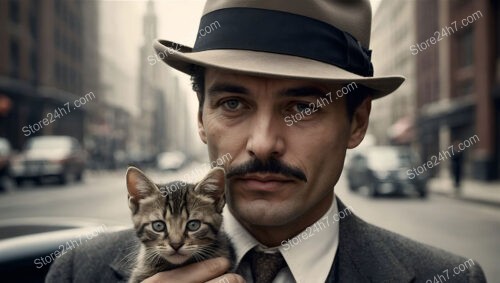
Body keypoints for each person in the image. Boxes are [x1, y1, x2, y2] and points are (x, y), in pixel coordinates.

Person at [46, 0, 487, 282]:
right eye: (234, 104)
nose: (262, 143)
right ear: (201, 118)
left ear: (357, 123)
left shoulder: (449, 277)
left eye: (304, 107)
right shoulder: (76, 272)